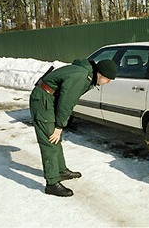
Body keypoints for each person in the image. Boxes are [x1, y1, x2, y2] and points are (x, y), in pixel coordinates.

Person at [29, 59, 117, 197]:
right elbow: (66, 103)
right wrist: (59, 126)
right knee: (50, 138)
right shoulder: (81, 77)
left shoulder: (86, 74)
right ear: (100, 74)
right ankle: (52, 183)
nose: (109, 82)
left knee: (56, 138)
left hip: (50, 97)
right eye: (108, 79)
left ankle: (60, 170)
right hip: (43, 99)